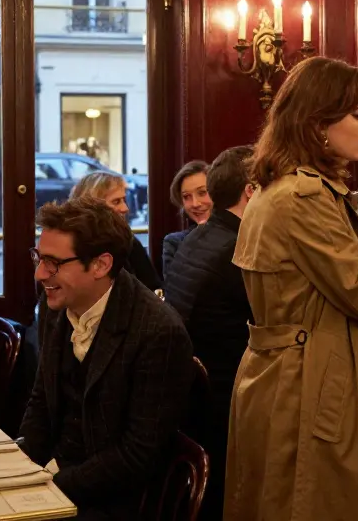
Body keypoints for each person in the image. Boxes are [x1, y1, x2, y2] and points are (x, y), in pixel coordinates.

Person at [226, 56, 358, 520]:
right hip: (308, 385)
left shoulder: (288, 187)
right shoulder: (302, 195)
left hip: (293, 375)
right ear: (317, 123)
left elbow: (338, 279)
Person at [19, 197, 195, 520]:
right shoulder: (54, 303)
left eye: (53, 263)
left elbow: (137, 456)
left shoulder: (158, 331)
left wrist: (50, 485)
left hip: (116, 501)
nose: (40, 273)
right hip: (56, 480)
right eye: (38, 258)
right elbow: (41, 399)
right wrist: (19, 469)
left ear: (101, 265)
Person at [162, 145, 255, 521]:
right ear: (252, 190)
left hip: (194, 395)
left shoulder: (199, 238)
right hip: (228, 397)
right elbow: (279, 319)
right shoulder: (238, 245)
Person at [70, 171, 160, 290]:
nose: (125, 208)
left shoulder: (129, 242)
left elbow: (153, 289)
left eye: (124, 200)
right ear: (92, 206)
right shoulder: (68, 246)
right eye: (116, 202)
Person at [160, 160, 210, 271]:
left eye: (202, 193)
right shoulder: (174, 243)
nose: (195, 204)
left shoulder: (238, 235)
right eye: (186, 196)